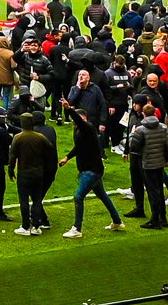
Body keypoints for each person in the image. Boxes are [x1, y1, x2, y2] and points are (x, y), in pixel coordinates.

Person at [61, 101, 122, 237]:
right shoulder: (78, 129)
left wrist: (68, 109)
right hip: (91, 169)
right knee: (103, 195)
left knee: (78, 197)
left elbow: (79, 122)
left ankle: (77, 229)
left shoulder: (87, 127)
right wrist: (67, 157)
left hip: (91, 170)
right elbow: (79, 147)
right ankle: (117, 221)